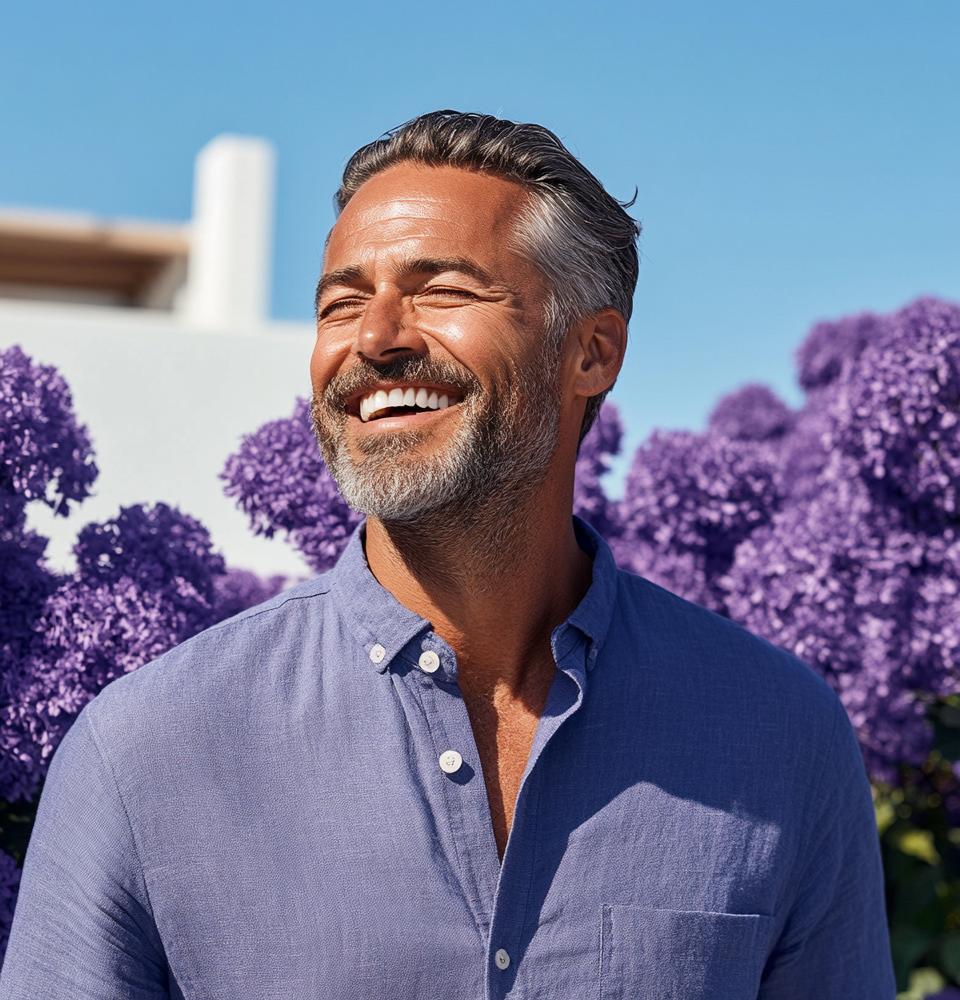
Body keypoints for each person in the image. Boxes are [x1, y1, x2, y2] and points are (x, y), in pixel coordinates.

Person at [0, 111, 894, 999]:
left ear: (592, 351)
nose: (376, 337)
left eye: (444, 290)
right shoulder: (146, 751)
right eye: (340, 304)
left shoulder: (780, 736)